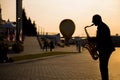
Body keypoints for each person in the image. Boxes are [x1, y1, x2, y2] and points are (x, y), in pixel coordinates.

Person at [92, 14, 115, 80]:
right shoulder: (101, 26)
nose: (93, 23)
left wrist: (93, 42)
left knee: (103, 67)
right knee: (103, 67)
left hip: (106, 49)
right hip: (105, 49)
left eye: (94, 21)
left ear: (97, 20)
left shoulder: (102, 27)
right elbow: (100, 39)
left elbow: (101, 39)